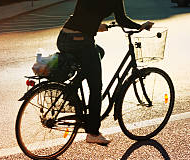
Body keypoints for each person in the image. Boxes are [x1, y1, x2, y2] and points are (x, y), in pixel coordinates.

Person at [57, 0, 153, 145]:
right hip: (81, 41)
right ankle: (93, 133)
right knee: (96, 87)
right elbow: (122, 20)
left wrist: (95, 26)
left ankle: (72, 89)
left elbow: (82, 14)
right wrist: (140, 27)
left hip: (64, 37)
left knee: (99, 52)